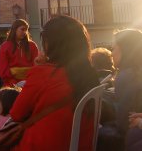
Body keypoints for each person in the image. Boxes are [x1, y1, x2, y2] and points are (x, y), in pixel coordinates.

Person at [8, 15, 99, 150]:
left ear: (51, 43)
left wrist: (39, 69)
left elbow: (17, 114)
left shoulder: (44, 73)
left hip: (40, 145)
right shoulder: (89, 75)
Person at [99, 28, 142, 151]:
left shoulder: (127, 75)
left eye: (114, 48)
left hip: (136, 132)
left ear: (125, 50)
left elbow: (123, 121)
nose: (111, 53)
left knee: (98, 134)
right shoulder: (140, 72)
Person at [0, 19, 39, 87]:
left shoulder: (32, 45)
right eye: (22, 29)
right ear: (15, 29)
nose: (25, 32)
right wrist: (14, 83)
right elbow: (3, 69)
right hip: (11, 85)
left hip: (30, 83)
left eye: (26, 30)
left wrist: (28, 81)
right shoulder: (5, 46)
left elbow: (37, 66)